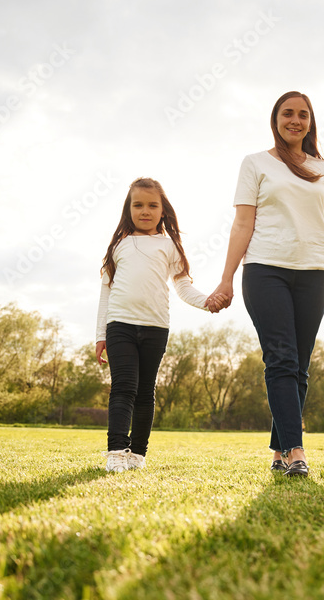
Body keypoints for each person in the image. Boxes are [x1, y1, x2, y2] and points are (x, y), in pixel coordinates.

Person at [209, 91, 324, 477]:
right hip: (265, 269)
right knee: (282, 358)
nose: (295, 120)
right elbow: (242, 224)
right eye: (288, 113)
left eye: (303, 115)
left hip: (313, 274)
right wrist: (226, 278)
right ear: (276, 119)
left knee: (299, 367)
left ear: (311, 122)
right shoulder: (254, 163)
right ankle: (296, 450)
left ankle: (277, 451)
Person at [95, 177, 225, 473]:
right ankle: (116, 450)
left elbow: (183, 287)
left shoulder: (170, 246)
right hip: (120, 325)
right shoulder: (119, 245)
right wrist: (100, 335)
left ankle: (138, 453)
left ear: (163, 210)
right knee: (123, 387)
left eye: (152, 205)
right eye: (138, 205)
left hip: (155, 327)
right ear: (128, 209)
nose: (145, 211)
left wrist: (207, 301)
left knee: (144, 391)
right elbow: (106, 291)